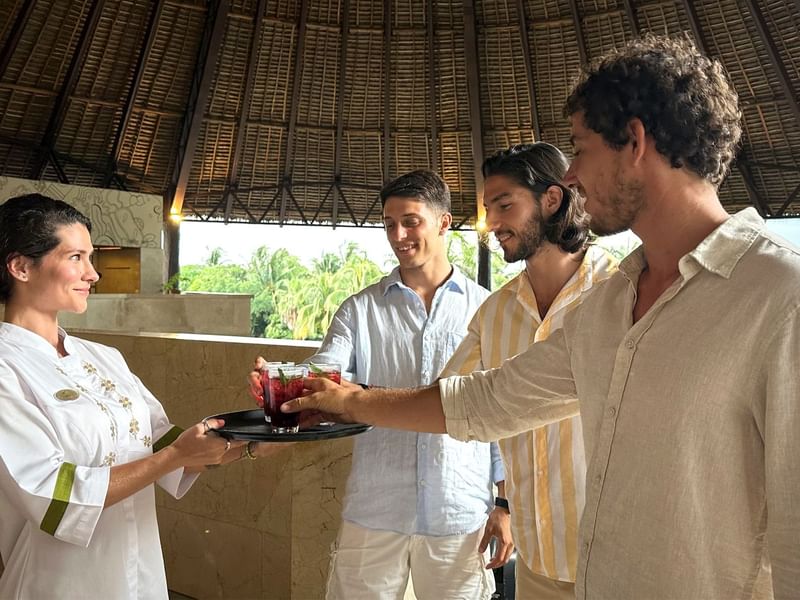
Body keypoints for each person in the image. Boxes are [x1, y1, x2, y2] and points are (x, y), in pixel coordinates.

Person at [287, 35, 800, 599]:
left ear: (634, 141)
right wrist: (344, 398)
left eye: (579, 149)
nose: (572, 176)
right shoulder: (609, 305)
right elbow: (486, 402)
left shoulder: (779, 296)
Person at [253, 170, 510, 599]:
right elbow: (324, 376)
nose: (398, 234)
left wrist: (505, 505)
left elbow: (501, 413)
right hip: (374, 511)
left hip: (459, 515)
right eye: (389, 223)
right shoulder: (358, 310)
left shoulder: (486, 310)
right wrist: (283, 380)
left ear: (444, 222)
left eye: (411, 221)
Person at [0, 194, 252, 599]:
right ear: (21, 267)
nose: (93, 274)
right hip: (58, 585)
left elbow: (166, 445)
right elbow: (52, 498)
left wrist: (266, 433)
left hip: (140, 576)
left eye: (90, 257)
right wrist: (175, 456)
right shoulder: (5, 369)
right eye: (76, 258)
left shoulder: (104, 358)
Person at [440, 142, 616, 599]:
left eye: (504, 205)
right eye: (487, 209)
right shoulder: (494, 313)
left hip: (616, 562)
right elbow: (446, 401)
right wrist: (346, 397)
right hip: (536, 565)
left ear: (551, 199)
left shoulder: (619, 294)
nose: (491, 223)